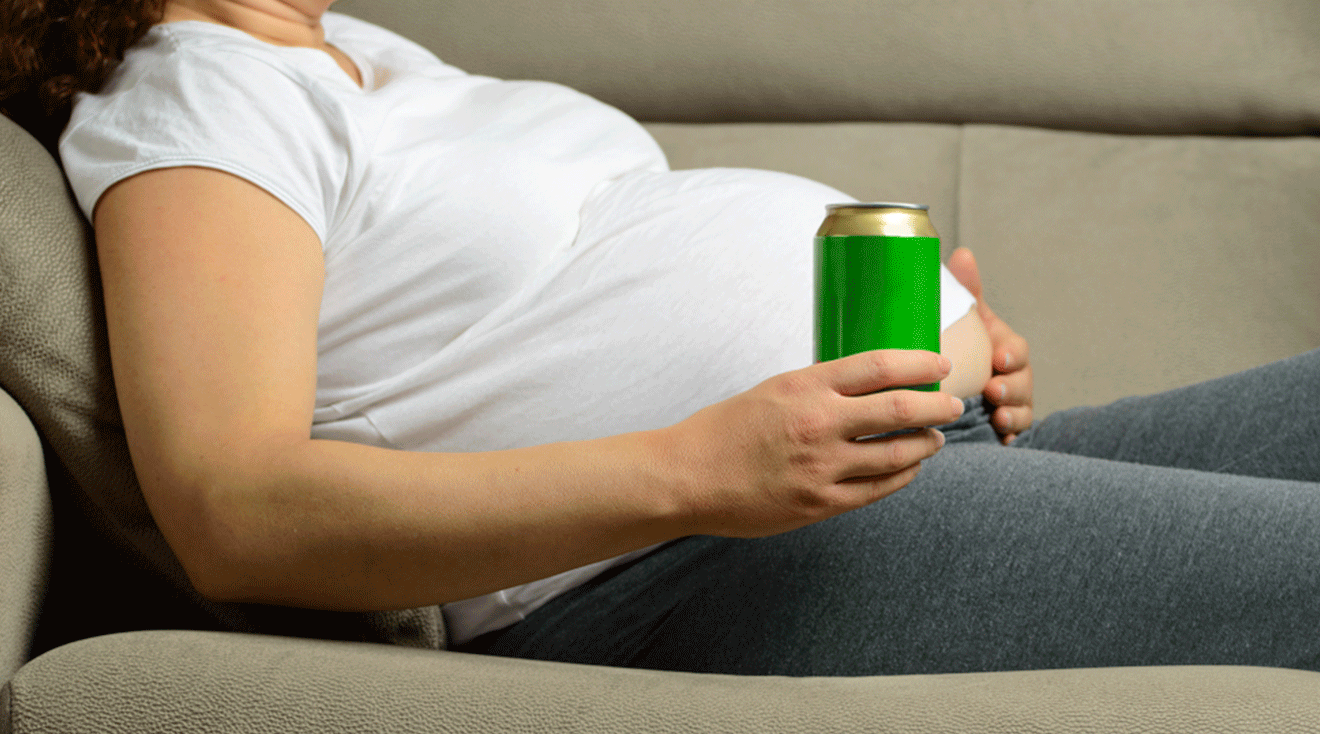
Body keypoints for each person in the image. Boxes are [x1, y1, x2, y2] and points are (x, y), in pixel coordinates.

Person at [3, 0, 1317, 676]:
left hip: (857, 476)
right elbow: (235, 503)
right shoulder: (198, 88)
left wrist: (948, 343)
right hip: (680, 562)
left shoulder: (355, 51)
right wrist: (701, 467)